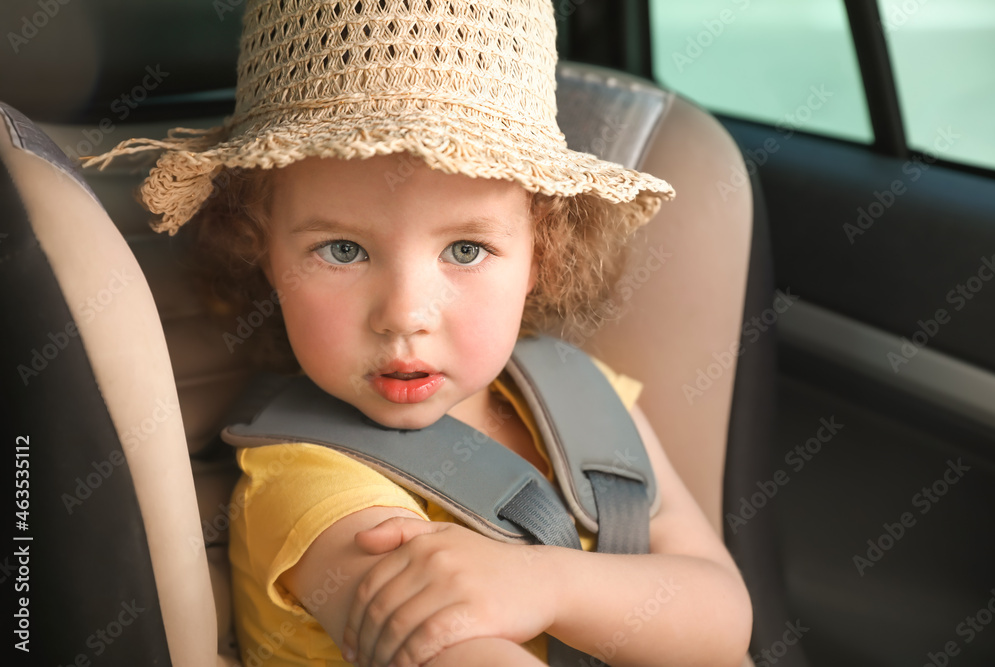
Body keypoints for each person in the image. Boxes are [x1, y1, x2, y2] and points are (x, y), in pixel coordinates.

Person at [86, 1, 753, 665]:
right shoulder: (311, 484)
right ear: (262, 252)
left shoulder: (593, 399)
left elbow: (722, 614)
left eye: (465, 250)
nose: (404, 314)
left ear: (541, 255)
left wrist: (549, 584)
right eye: (342, 250)